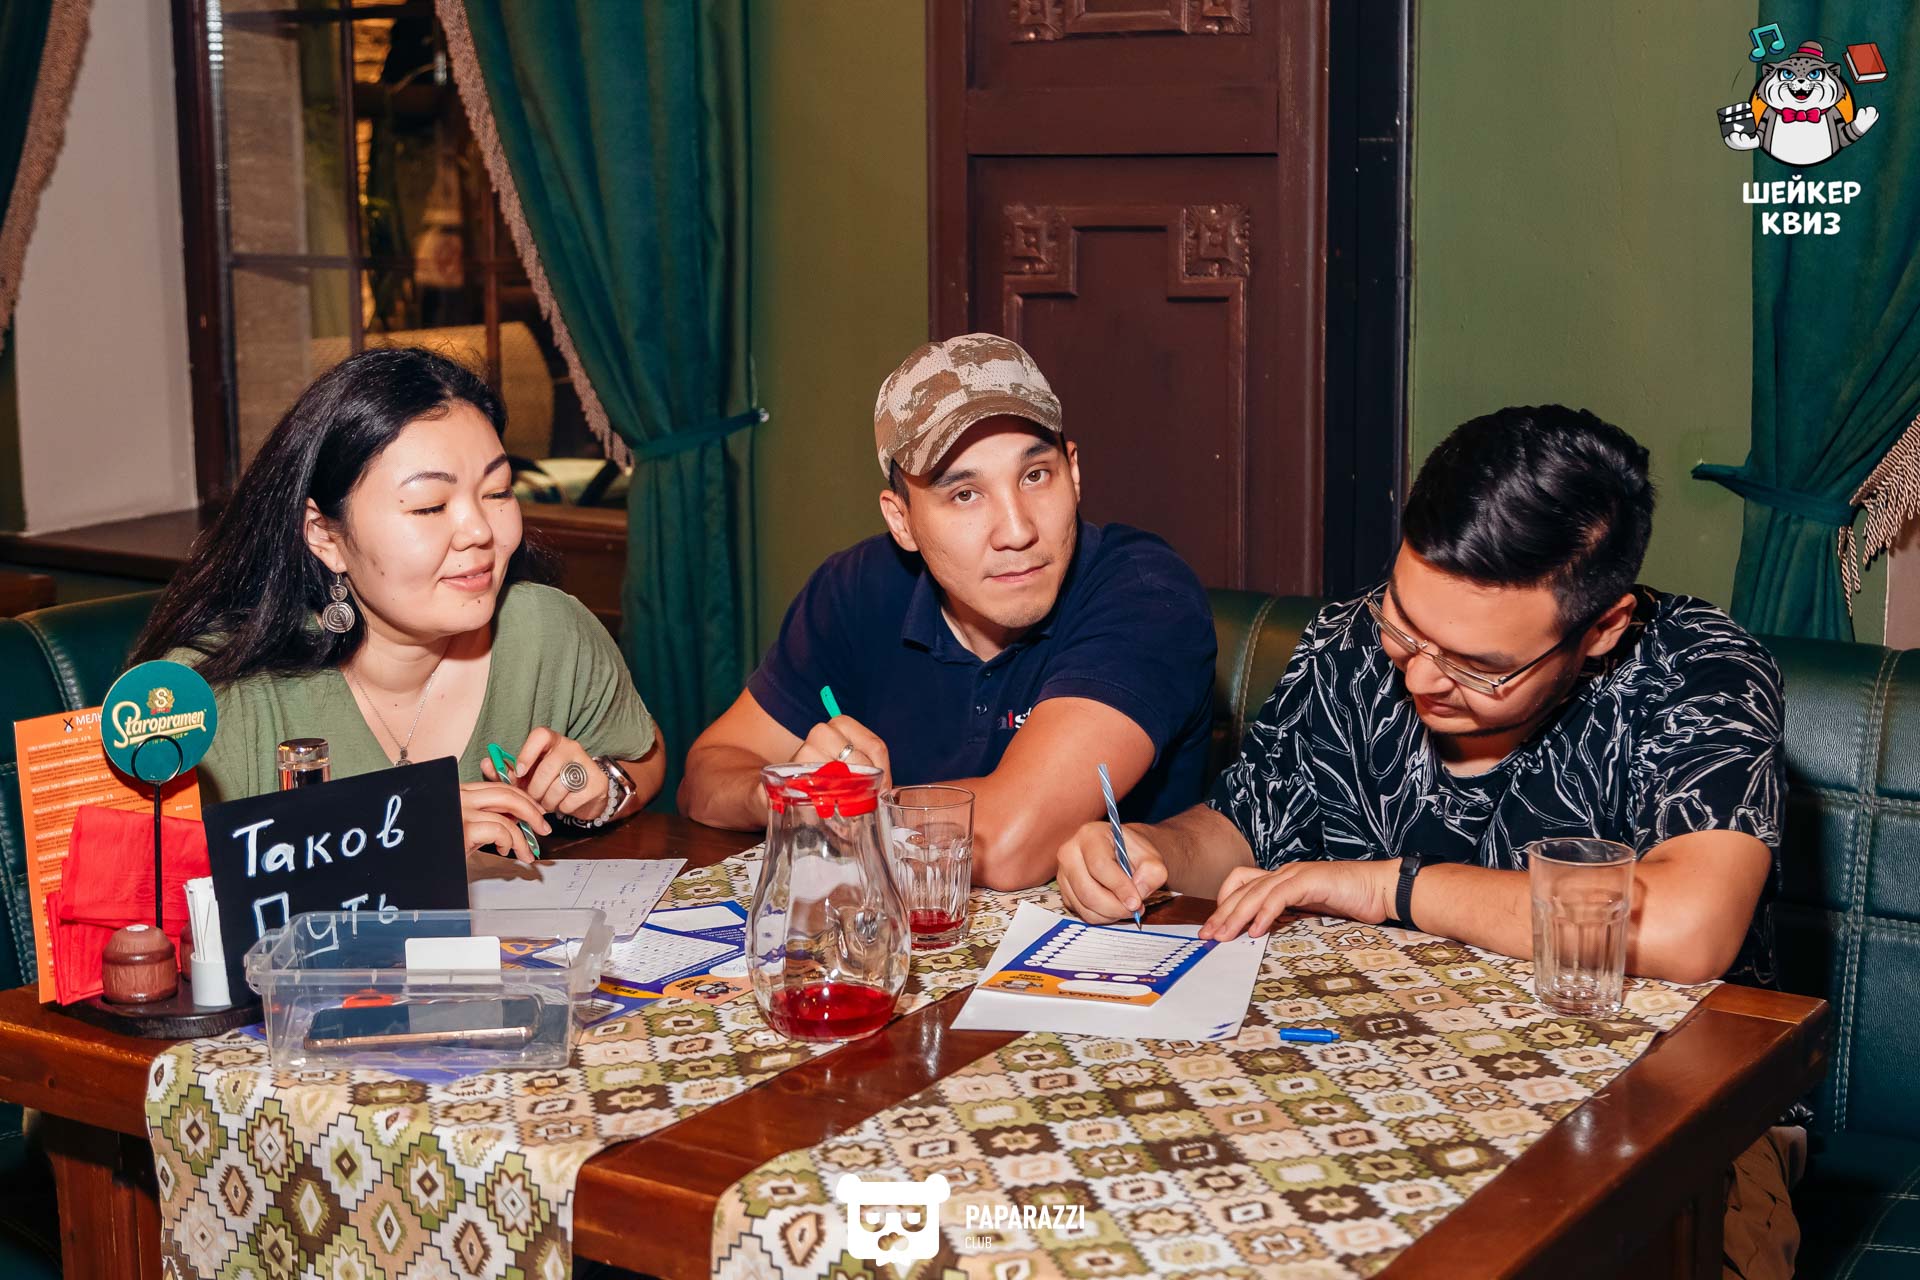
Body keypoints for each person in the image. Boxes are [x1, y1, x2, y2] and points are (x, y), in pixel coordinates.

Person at [1054, 404, 1797, 1279]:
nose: (1420, 677)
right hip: (1374, 1088)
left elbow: (1684, 928)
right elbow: (1239, 830)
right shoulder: (1348, 645)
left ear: (1602, 627)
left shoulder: (1700, 672)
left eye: (1480, 666)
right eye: (1405, 624)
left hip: (1663, 1123)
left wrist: (1388, 887)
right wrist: (1148, 849)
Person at [680, 333, 1216, 889]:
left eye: (1035, 476)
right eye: (965, 494)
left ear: (1074, 473)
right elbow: (706, 774)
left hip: (1120, 941)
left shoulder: (1146, 593)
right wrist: (786, 791)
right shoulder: (856, 588)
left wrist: (861, 806)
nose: (1017, 531)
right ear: (902, 521)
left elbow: (1009, 844)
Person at [131, 347, 665, 863]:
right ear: (324, 536)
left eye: (498, 492)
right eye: (430, 506)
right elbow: (154, 883)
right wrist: (395, 839)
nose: (479, 531)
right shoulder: (217, 693)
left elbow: (644, 758)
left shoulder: (546, 630)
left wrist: (598, 790)